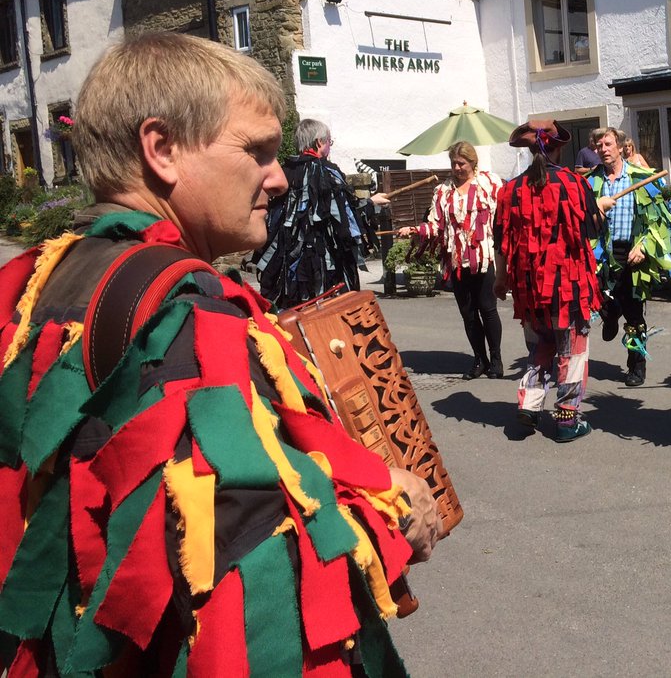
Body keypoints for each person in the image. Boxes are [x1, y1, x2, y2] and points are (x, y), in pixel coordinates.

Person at [0, 33, 438, 674]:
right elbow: (242, 566)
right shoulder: (188, 308)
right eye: (256, 152)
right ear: (163, 149)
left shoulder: (41, 273)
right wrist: (393, 510)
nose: (280, 179)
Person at [494, 120, 605, 441]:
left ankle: (530, 403)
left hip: (529, 290)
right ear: (558, 147)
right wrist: (599, 207)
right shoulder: (573, 184)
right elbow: (594, 229)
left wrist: (500, 279)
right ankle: (567, 419)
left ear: (530, 151)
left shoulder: (509, 190)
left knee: (539, 345)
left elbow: (500, 240)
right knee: (572, 349)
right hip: (568, 287)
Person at [254, 118, 389, 308]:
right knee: (329, 311)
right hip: (326, 265)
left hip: (287, 267)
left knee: (294, 313)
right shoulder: (328, 173)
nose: (330, 147)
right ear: (319, 142)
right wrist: (371, 203)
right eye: (329, 142)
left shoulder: (283, 173)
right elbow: (345, 216)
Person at [399, 141, 504, 379]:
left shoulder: (490, 183)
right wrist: (416, 229)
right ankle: (480, 360)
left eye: (461, 163)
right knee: (468, 313)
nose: (457, 168)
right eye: (453, 163)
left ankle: (496, 359)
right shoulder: (443, 191)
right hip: (457, 260)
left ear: (472, 162)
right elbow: (436, 224)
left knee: (488, 309)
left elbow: (503, 216)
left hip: (484, 258)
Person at [588, 127, 671, 386]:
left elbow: (660, 221)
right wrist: (596, 213)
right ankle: (611, 313)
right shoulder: (591, 183)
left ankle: (636, 367)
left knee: (635, 315)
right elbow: (583, 222)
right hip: (603, 254)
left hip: (633, 252)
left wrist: (645, 245)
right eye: (599, 145)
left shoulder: (640, 178)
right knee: (600, 299)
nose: (603, 149)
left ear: (621, 147)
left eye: (608, 143)